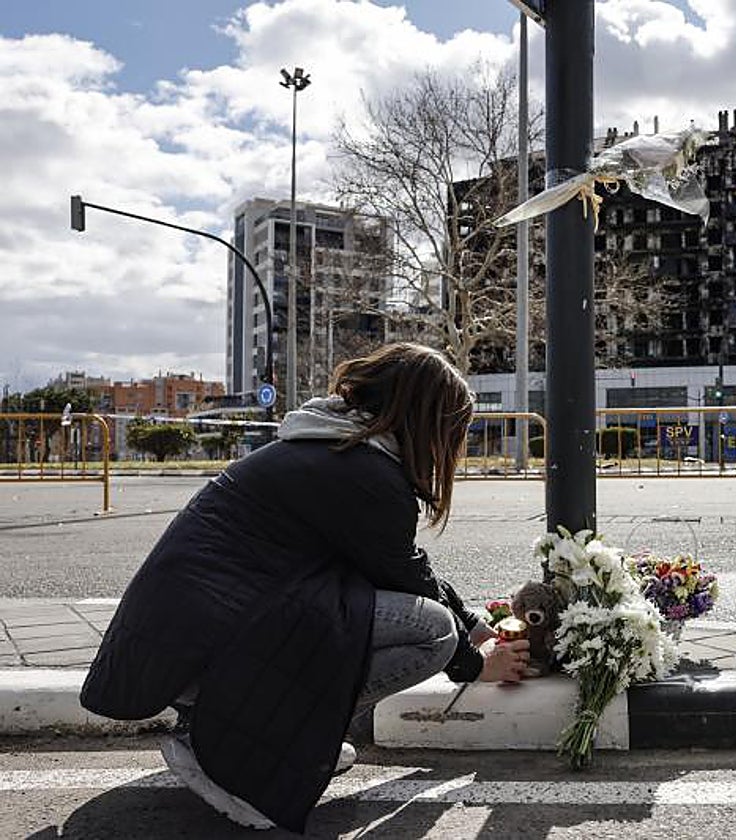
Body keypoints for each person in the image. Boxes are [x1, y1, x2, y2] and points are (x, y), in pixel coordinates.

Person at [80, 343, 530, 832]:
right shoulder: (365, 473)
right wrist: (472, 663)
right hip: (199, 651)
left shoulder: (333, 444)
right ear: (426, 421)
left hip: (188, 642)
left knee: (417, 618)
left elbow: (397, 564)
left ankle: (278, 731)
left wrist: (479, 627)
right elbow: (406, 576)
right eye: (453, 432)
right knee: (432, 633)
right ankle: (237, 747)